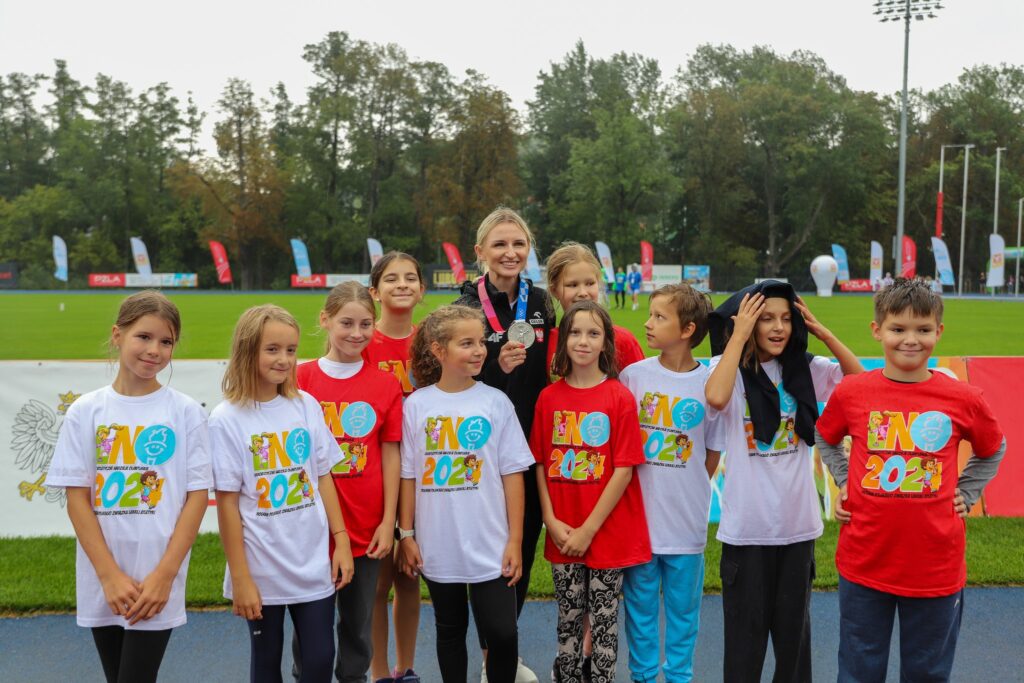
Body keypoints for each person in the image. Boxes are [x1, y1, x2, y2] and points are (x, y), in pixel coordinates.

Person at [814, 278, 1006, 682]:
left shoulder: (963, 398)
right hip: (865, 559)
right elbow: (825, 436)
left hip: (935, 565)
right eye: (898, 329)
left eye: (922, 329)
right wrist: (845, 478)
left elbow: (993, 448)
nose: (910, 340)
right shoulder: (852, 392)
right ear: (877, 330)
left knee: (927, 673)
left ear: (939, 331)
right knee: (858, 669)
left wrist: (968, 491)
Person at [45, 290, 212, 683]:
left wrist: (164, 576)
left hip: (158, 578)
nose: (155, 350)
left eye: (166, 341)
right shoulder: (86, 411)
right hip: (104, 579)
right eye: (144, 336)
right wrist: (108, 576)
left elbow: (197, 497)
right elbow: (77, 499)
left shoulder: (185, 412)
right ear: (117, 335)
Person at [704, 281, 861, 683]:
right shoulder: (732, 372)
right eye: (766, 319)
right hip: (746, 533)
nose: (778, 328)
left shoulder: (805, 369)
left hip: (797, 529)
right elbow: (717, 398)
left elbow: (861, 384)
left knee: (794, 646)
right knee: (744, 646)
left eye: (786, 319)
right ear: (749, 323)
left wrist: (823, 333)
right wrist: (737, 338)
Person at [210, 304, 355, 683]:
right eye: (272, 349)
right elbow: (226, 504)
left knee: (321, 660)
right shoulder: (226, 419)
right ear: (247, 351)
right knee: (266, 662)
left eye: (291, 350)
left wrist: (341, 542)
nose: (284, 359)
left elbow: (323, 476)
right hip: (261, 567)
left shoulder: (304, 406)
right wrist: (240, 578)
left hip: (311, 562)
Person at [397, 305, 534, 683]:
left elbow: (513, 475)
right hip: (438, 541)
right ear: (439, 350)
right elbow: (407, 476)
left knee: (503, 633)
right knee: (450, 628)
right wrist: (405, 534)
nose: (478, 351)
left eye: (481, 342)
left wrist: (515, 540)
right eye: (466, 343)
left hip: (491, 542)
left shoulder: (496, 402)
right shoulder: (416, 406)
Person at [454, 206, 554, 683]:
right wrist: (496, 367)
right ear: (480, 253)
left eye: (518, 244)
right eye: (499, 244)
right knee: (484, 555)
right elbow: (451, 376)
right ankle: (491, 655)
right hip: (479, 448)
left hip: (531, 445)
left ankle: (502, 654)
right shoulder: (462, 306)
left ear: (528, 249)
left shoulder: (541, 302)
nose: (510, 252)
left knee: (523, 548)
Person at [530, 300, 652, 683]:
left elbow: (624, 469)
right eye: (575, 333)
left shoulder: (619, 397)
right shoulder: (549, 398)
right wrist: (550, 519)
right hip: (562, 532)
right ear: (563, 340)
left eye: (593, 333)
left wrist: (589, 530)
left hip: (607, 535)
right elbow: (541, 462)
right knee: (567, 620)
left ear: (606, 343)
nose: (583, 341)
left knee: (603, 623)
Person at [293, 282, 404, 683]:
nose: (357, 333)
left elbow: (390, 455)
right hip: (310, 525)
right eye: (346, 323)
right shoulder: (298, 379)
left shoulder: (385, 385)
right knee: (311, 628)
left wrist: (388, 521)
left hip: (367, 525)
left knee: (358, 625)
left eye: (366, 324)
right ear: (324, 320)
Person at [619, 284, 723, 683]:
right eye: (650, 314)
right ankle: (644, 677)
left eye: (659, 317)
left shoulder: (711, 386)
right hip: (639, 525)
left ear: (687, 329)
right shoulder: (634, 376)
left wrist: (688, 486)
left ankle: (680, 676)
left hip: (687, 524)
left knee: (684, 613)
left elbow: (710, 455)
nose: (647, 323)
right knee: (640, 611)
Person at [363, 252, 426, 683]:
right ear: (375, 291)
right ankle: (379, 672)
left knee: (409, 577)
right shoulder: (362, 342)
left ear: (422, 290)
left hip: (425, 475)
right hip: (377, 475)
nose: (401, 285)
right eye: (391, 278)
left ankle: (406, 668)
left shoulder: (433, 340)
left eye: (410, 278)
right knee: (377, 582)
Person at [545, 243, 645, 382]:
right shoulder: (547, 341)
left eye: (590, 283)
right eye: (572, 285)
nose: (583, 293)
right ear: (554, 290)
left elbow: (641, 394)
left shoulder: (623, 340)